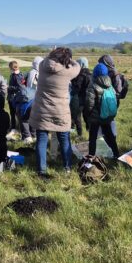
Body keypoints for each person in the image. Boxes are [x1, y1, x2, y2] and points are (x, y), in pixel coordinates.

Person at [30, 47, 81, 177]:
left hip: (42, 110)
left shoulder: (42, 65)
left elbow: (47, 59)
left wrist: (51, 54)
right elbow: (78, 66)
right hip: (60, 111)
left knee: (41, 140)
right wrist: (69, 58)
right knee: (64, 139)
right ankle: (67, 167)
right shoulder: (67, 71)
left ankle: (41, 170)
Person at [84, 63, 121, 159]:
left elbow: (89, 104)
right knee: (109, 135)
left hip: (95, 117)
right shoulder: (109, 84)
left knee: (92, 138)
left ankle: (91, 157)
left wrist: (87, 115)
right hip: (106, 116)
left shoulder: (92, 85)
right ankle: (116, 153)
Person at [69, 57, 91, 137]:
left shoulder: (80, 75)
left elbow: (77, 87)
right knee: (87, 117)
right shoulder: (90, 74)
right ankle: (90, 131)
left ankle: (79, 134)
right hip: (89, 99)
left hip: (79, 99)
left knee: (77, 116)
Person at [6, 61, 24, 135]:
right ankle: (18, 127)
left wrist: (9, 87)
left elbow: (19, 87)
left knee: (13, 114)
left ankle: (14, 128)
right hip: (15, 97)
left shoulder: (16, 76)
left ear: (11, 68)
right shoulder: (20, 74)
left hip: (14, 98)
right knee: (16, 114)